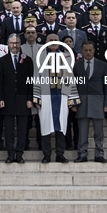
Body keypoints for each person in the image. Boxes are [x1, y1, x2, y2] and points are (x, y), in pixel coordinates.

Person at [33, 34, 78, 163]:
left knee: (62, 126)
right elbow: (36, 77)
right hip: (45, 96)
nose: (53, 42)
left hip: (62, 95)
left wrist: (72, 99)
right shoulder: (40, 57)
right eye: (50, 40)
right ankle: (46, 154)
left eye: (55, 40)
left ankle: (60, 154)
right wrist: (36, 97)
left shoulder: (67, 57)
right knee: (45, 125)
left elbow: (71, 78)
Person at [0, 34, 34, 164]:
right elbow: (0, 82)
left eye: (17, 43)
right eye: (12, 43)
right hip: (7, 100)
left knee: (22, 129)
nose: (15, 45)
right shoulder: (2, 60)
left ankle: (19, 154)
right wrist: (0, 98)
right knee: (8, 129)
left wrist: (30, 98)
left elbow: (31, 80)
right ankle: (10, 153)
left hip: (23, 99)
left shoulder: (28, 60)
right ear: (8, 44)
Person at [73, 41, 107, 163]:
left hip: (97, 101)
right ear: (82, 51)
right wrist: (73, 102)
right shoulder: (76, 65)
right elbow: (73, 85)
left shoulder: (102, 65)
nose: (88, 52)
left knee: (98, 131)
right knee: (82, 131)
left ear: (94, 50)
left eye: (90, 50)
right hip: (81, 102)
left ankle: (99, 154)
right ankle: (82, 154)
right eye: (85, 50)